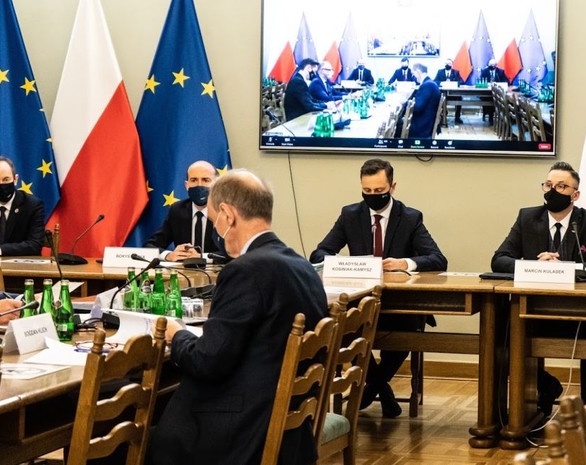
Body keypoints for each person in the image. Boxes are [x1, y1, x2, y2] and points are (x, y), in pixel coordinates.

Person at [148, 169, 327, 465]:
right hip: (288, 429)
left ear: (227, 215)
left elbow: (207, 361)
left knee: (121, 444)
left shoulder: (244, 271)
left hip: (241, 430)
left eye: (214, 221)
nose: (216, 230)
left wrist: (176, 334)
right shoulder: (301, 265)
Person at [310, 158, 447, 418]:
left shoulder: (410, 217)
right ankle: (381, 389)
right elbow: (319, 254)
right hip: (360, 301)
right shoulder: (350, 215)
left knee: (407, 331)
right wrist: (346, 264)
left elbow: (438, 259)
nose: (373, 196)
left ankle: (371, 388)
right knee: (344, 326)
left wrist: (404, 263)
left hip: (400, 305)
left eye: (379, 191)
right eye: (367, 191)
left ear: (392, 187)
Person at [491, 161, 586, 410]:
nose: (553, 191)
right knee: (501, 332)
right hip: (535, 310)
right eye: (548, 185)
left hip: (582, 314)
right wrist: (533, 265)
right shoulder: (527, 217)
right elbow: (499, 259)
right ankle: (541, 389)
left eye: (561, 186)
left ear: (575, 195)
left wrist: (569, 268)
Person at [144, 160, 219, 261]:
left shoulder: (225, 211)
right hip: (183, 270)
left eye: (205, 180)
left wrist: (201, 257)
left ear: (216, 184)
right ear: (187, 185)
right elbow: (150, 246)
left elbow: (234, 253)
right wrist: (169, 255)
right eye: (194, 180)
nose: (199, 185)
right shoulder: (177, 210)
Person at [0, 156, 45, 256]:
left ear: (15, 179)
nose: (1, 185)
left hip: (19, 264)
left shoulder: (32, 205)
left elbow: (35, 244)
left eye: (6, 179)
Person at [408, 63, 441, 139]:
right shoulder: (430, 83)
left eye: (413, 74)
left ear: (418, 72)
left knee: (396, 127)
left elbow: (417, 107)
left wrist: (406, 103)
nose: (413, 77)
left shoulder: (427, 86)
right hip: (427, 122)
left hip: (423, 127)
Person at [433, 58, 464, 124]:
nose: (447, 65)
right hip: (443, 94)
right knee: (439, 98)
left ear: (452, 64)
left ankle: (457, 117)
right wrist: (441, 83)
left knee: (460, 98)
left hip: (453, 94)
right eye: (446, 63)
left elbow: (461, 81)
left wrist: (454, 83)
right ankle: (443, 116)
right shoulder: (440, 72)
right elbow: (435, 81)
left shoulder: (456, 72)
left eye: (449, 63)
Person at [481, 58, 508, 125]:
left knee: (494, 99)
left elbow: (505, 81)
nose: (492, 66)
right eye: (490, 65)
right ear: (488, 65)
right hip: (486, 93)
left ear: (496, 65)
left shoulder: (501, 72)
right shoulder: (484, 71)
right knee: (489, 99)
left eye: (493, 65)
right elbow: (481, 81)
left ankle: (492, 118)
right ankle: (489, 116)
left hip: (497, 93)